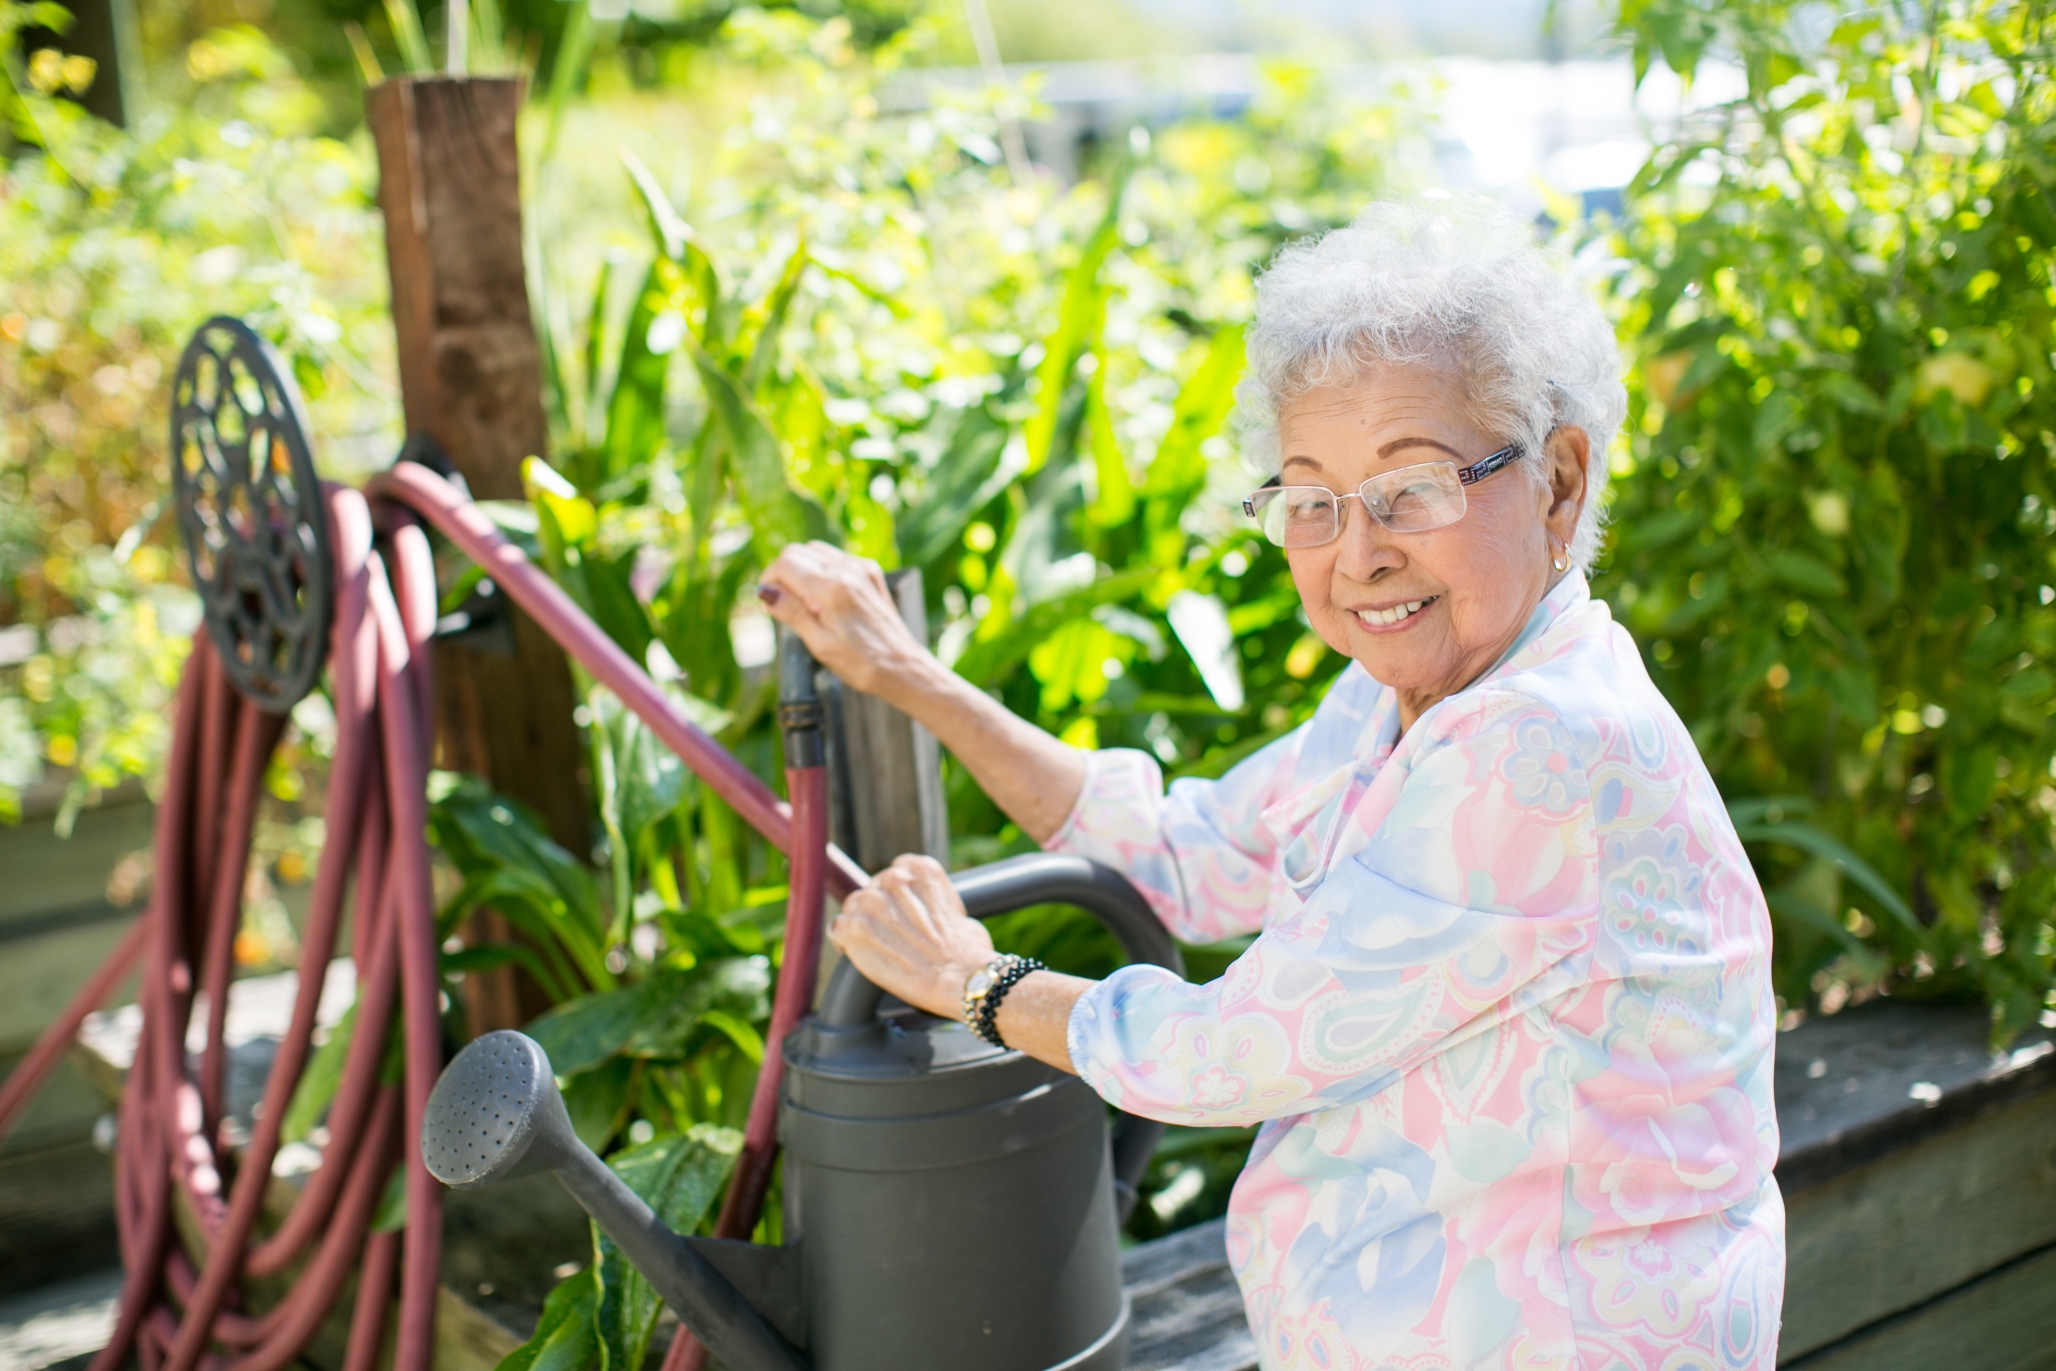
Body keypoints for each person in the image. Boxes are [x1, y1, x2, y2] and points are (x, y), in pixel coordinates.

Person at [759, 196, 1783, 1371]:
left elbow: (1230, 1052)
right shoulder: (1402, 698)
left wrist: (967, 981)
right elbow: (1184, 858)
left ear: (1557, 481)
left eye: (1413, 489)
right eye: (1310, 503)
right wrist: (904, 674)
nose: (1359, 554)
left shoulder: (1541, 743)